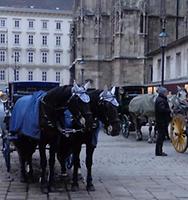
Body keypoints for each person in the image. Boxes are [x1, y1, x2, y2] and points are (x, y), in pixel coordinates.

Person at [155, 86, 171, 156]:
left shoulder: (160, 99)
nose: (167, 93)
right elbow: (161, 109)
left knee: (161, 136)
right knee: (161, 137)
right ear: (163, 93)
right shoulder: (161, 100)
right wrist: (169, 110)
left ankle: (159, 151)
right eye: (166, 92)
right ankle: (159, 152)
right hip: (161, 120)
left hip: (161, 120)